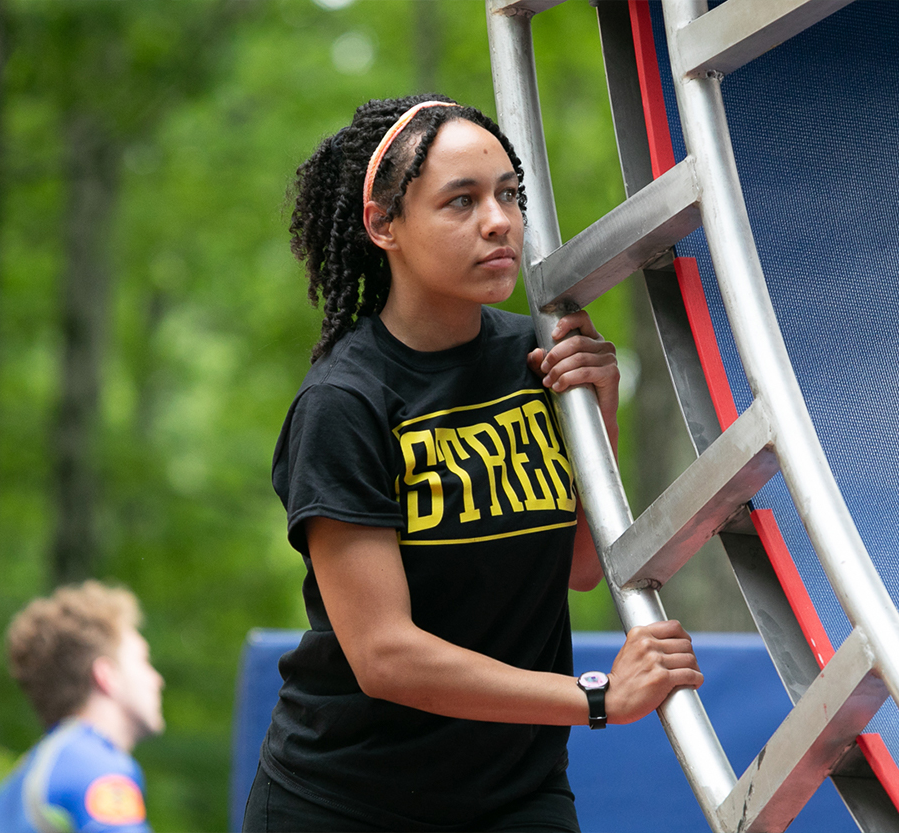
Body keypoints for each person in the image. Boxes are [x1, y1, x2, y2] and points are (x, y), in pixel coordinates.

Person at [243, 94, 703, 832]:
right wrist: (594, 698)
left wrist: (597, 412)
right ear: (383, 225)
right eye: (461, 200)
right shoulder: (345, 401)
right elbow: (385, 656)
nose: (499, 221)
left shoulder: (537, 356)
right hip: (345, 801)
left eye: (508, 195)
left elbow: (580, 565)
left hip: (514, 796)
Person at [0, 581, 165, 833]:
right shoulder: (95, 765)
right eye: (143, 661)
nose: (157, 680)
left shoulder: (17, 783)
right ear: (107, 676)